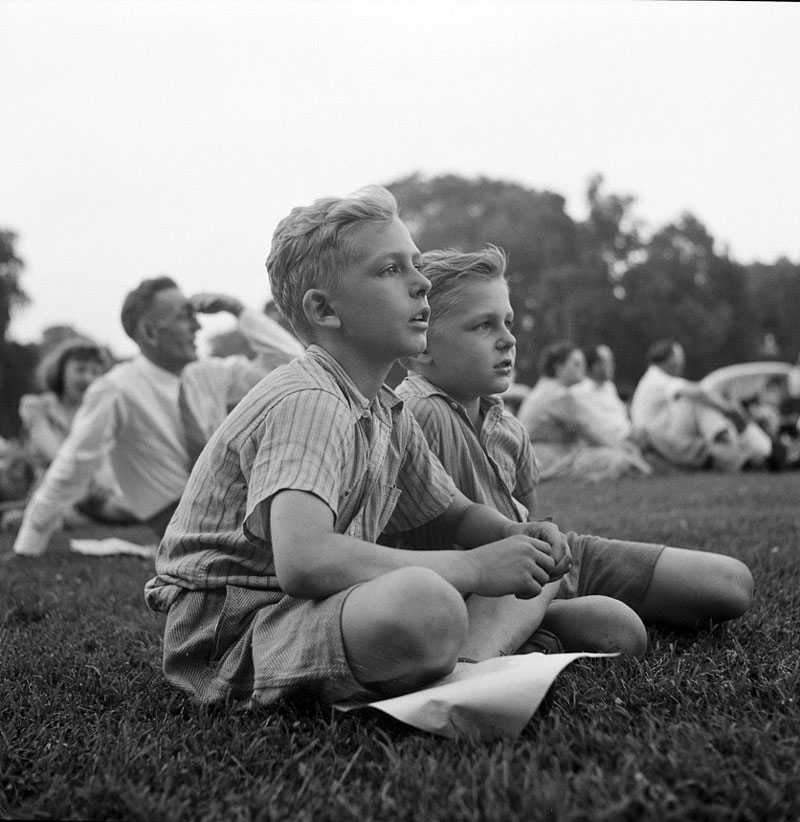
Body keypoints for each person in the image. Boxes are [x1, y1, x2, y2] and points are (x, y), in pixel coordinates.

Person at [145, 185, 572, 708]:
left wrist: (514, 533)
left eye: (416, 266)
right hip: (236, 624)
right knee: (426, 603)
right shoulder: (310, 398)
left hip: (320, 608)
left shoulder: (385, 409)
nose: (421, 285)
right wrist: (479, 569)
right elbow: (305, 560)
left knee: (550, 586)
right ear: (325, 309)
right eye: (391, 270)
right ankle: (474, 654)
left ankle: (470, 653)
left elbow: (455, 514)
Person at [395, 245, 753, 654]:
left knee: (731, 584)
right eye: (483, 326)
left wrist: (551, 548)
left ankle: (536, 631)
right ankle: (516, 635)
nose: (508, 339)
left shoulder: (506, 422)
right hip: (481, 584)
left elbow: (532, 514)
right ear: (422, 346)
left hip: (545, 569)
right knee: (617, 629)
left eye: (508, 323)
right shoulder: (417, 412)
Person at [11, 281, 304, 557]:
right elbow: (73, 465)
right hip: (187, 524)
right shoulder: (117, 389)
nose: (198, 326)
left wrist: (238, 310)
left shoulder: (209, 374)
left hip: (247, 503)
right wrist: (28, 544)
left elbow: (296, 367)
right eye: (184, 318)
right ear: (150, 332)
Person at [12, 337, 133, 527]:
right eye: (80, 369)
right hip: (53, 490)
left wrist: (104, 483)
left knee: (136, 507)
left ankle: (54, 519)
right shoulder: (36, 407)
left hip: (94, 493)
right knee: (66, 513)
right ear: (61, 371)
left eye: (95, 372)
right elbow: (56, 454)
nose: (87, 378)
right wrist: (89, 481)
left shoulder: (100, 413)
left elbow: (106, 455)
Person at [516, 340, 651, 481]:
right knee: (618, 459)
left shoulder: (548, 388)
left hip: (544, 455)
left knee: (616, 454)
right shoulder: (559, 395)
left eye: (582, 363)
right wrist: (621, 448)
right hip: (548, 458)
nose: (582, 368)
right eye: (576, 364)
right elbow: (589, 431)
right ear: (558, 367)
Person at [629, 339, 773, 471]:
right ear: (669, 360)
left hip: (663, 438)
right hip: (660, 442)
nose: (682, 362)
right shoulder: (656, 378)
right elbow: (698, 393)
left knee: (699, 403)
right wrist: (728, 409)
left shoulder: (654, 379)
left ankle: (744, 446)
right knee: (698, 402)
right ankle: (748, 447)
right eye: (679, 357)